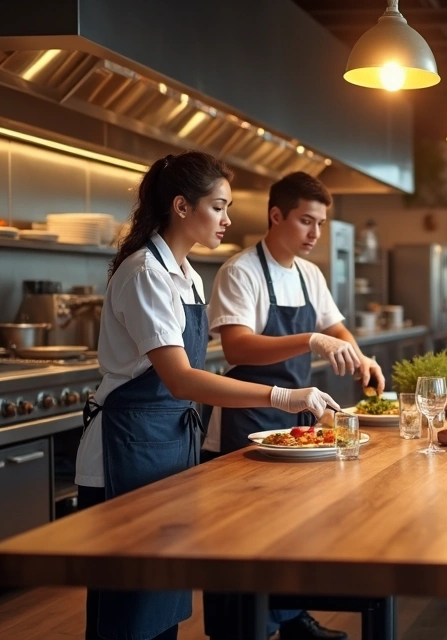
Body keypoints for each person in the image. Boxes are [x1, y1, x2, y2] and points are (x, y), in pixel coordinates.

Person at [76, 152, 339, 640]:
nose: (227, 219)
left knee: (164, 604)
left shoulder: (189, 274)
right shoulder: (145, 272)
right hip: (125, 451)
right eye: (218, 207)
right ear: (182, 206)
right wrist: (281, 395)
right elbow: (181, 379)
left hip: (169, 446)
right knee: (127, 610)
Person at [201, 172, 380, 639]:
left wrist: (360, 357)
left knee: (295, 524)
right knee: (244, 535)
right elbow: (237, 347)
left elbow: (336, 328)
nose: (315, 233)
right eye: (305, 221)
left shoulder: (309, 274)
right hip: (247, 415)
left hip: (297, 416)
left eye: (320, 223)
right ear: (276, 215)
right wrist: (310, 339)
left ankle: (291, 618)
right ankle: (241, 630)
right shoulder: (240, 271)